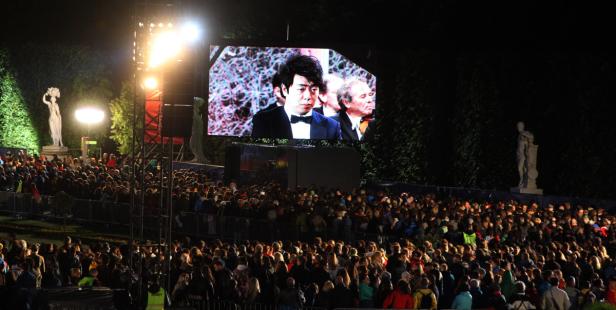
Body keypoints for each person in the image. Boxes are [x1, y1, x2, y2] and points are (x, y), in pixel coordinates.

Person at [251, 55, 341, 139]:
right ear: (285, 90)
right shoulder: (264, 121)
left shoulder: (331, 127)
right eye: (301, 89)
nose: (308, 96)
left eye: (313, 89)